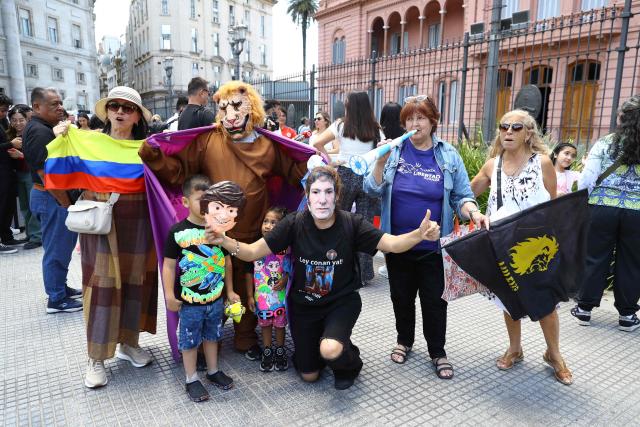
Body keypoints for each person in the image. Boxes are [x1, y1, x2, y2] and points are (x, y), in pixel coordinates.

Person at [207, 166, 441, 390]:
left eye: (328, 192)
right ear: (307, 196)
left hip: (340, 302)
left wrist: (419, 235)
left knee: (330, 350)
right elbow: (251, 252)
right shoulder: (294, 223)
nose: (322, 199)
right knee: (309, 375)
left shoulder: (352, 223)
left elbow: (391, 244)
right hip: (304, 306)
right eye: (316, 192)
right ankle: (324, 346)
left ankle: (348, 361)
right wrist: (224, 240)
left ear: (337, 195)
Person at [139, 81, 309, 360]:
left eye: (237, 105)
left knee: (247, 286)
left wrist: (310, 166)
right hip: (213, 234)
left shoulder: (267, 144)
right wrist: (154, 156)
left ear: (251, 107)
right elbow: (181, 171)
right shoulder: (209, 141)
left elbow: (293, 169)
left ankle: (245, 336)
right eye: (224, 107)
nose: (230, 113)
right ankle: (208, 338)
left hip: (254, 233)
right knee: (211, 283)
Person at [364, 95, 487, 379]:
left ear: (433, 121)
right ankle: (404, 340)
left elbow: (462, 196)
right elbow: (371, 189)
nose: (414, 124)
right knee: (401, 297)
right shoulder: (394, 151)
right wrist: (380, 162)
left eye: (420, 118)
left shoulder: (447, 154)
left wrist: (473, 213)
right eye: (409, 118)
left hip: (434, 246)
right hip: (398, 243)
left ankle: (437, 351)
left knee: (435, 301)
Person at [54, 86, 158, 388]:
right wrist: (61, 137)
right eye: (114, 106)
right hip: (101, 222)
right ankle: (95, 358)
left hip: (139, 221)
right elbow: (53, 169)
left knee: (136, 282)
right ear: (107, 111)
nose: (120, 112)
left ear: (138, 115)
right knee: (101, 288)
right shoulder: (90, 142)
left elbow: (170, 175)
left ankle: (128, 344)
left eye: (128, 107)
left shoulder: (147, 148)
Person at [470, 109, 573, 385]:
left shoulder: (542, 163)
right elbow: (466, 193)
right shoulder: (493, 165)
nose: (509, 132)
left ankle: (554, 354)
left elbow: (552, 204)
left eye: (516, 127)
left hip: (538, 247)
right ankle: (515, 348)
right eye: (504, 127)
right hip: (503, 245)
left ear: (529, 133)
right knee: (509, 298)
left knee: (546, 304)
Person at [163, 176, 239, 402]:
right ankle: (191, 378)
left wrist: (231, 291)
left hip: (215, 299)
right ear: (186, 202)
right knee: (188, 340)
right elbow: (168, 265)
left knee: (213, 336)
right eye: (200, 200)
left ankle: (213, 371)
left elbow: (227, 262)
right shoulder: (177, 232)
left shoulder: (220, 232)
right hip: (189, 302)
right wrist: (168, 294)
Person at [572, 95, 640, 332]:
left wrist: (582, 202)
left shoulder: (605, 143)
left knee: (595, 256)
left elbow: (587, 179)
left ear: (621, 118)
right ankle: (627, 316)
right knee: (632, 262)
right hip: (637, 213)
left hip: (601, 208)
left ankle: (584, 309)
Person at [312, 91, 384, 286]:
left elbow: (317, 143)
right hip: (368, 177)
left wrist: (329, 162)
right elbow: (383, 151)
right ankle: (364, 274)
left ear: (350, 106)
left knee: (339, 222)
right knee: (365, 226)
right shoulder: (375, 128)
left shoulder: (341, 125)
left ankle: (338, 267)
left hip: (345, 174)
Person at [22, 88, 83, 311]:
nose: (60, 108)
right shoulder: (40, 132)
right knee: (57, 248)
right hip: (51, 197)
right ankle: (56, 299)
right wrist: (66, 203)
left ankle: (60, 287)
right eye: (53, 104)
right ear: (37, 107)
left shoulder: (44, 128)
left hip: (50, 197)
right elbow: (45, 175)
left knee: (61, 247)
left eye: (60, 103)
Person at [245, 206, 291, 372]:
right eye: (266, 221)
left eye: (274, 222)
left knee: (280, 325)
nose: (268, 225)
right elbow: (249, 273)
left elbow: (291, 269)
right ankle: (267, 350)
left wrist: (285, 279)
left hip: (280, 298)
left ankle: (280, 350)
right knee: (264, 324)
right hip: (262, 298)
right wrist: (250, 296)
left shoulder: (286, 249)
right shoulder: (255, 248)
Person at [376, 102, 405, 279]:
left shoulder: (381, 134)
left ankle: (389, 264)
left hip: (381, 181)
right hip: (399, 185)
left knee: (385, 223)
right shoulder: (405, 136)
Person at [6, 105, 42, 249]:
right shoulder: (9, 135)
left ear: (27, 120)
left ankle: (37, 236)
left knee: (33, 206)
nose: (18, 123)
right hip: (17, 174)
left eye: (21, 120)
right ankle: (30, 233)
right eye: (14, 120)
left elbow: (38, 156)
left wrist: (21, 155)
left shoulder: (32, 133)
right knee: (24, 207)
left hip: (30, 174)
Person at [0, 93, 21, 254]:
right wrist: (10, 144)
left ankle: (6, 236)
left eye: (6, 110)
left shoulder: (3, 122)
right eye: (2, 110)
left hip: (7, 170)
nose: (4, 114)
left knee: (8, 205)